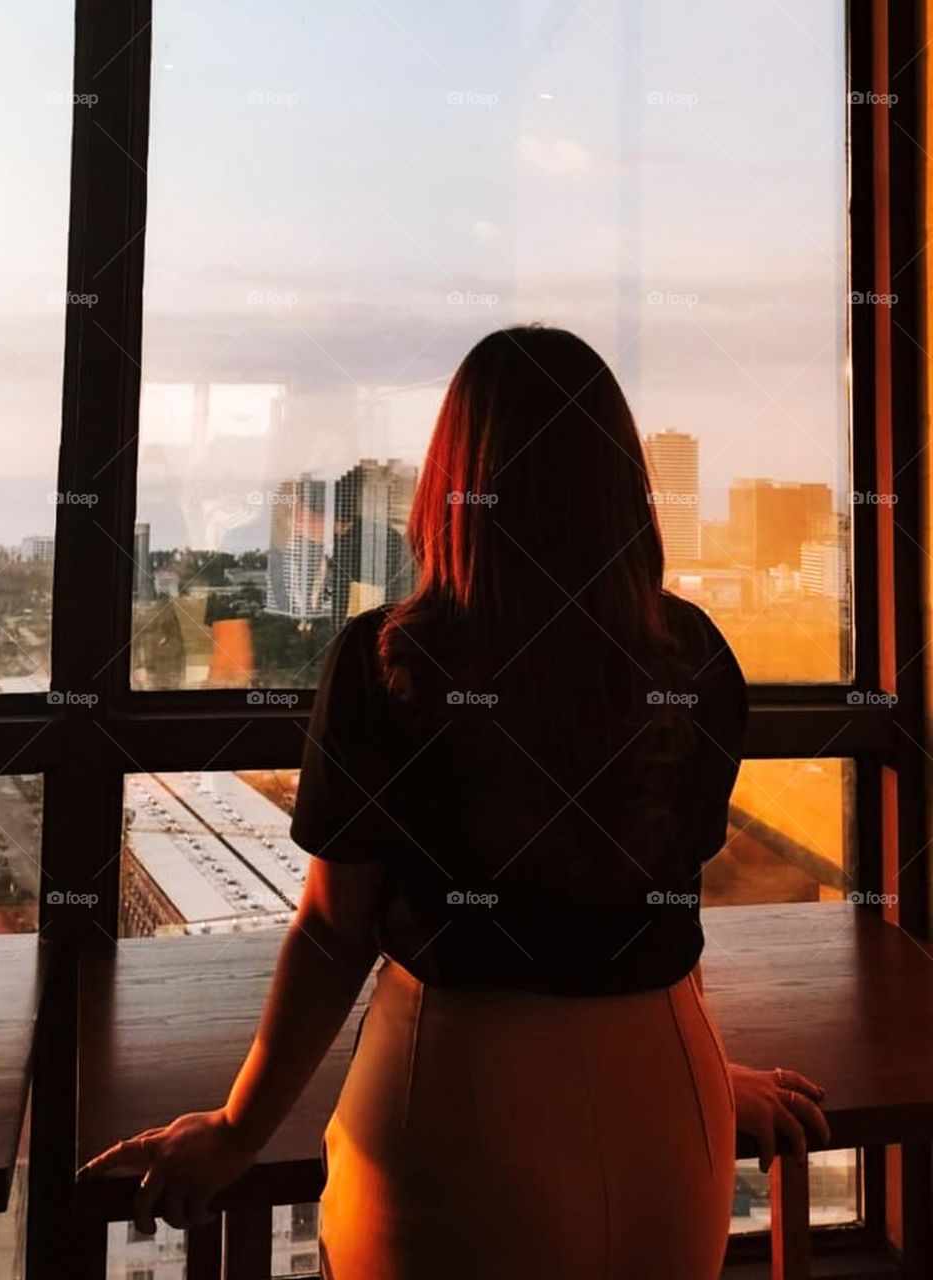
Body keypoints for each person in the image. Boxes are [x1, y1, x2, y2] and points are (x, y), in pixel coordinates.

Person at [81, 327, 830, 1278]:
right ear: (622, 486)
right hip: (668, 1110)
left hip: (456, 1115)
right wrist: (703, 1071)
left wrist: (237, 1129)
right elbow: (654, 896)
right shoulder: (697, 657)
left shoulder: (390, 663)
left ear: (454, 484)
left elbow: (331, 933)